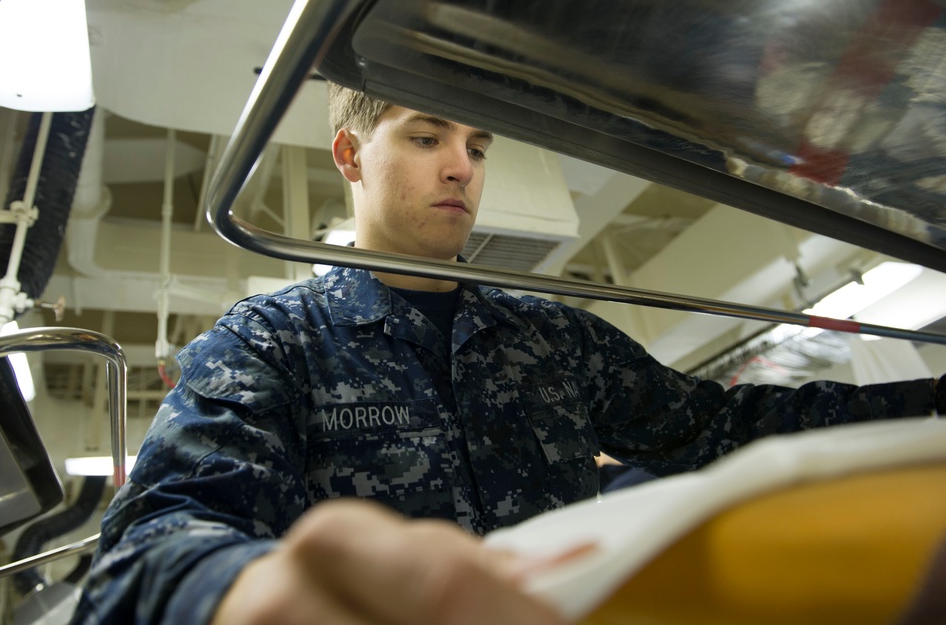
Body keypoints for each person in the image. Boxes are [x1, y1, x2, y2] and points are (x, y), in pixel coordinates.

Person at [71, 84, 946, 625]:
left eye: (477, 147)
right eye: (426, 137)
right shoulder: (273, 341)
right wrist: (245, 593)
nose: (461, 166)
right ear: (350, 154)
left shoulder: (552, 338)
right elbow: (146, 544)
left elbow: (723, 426)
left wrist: (935, 401)